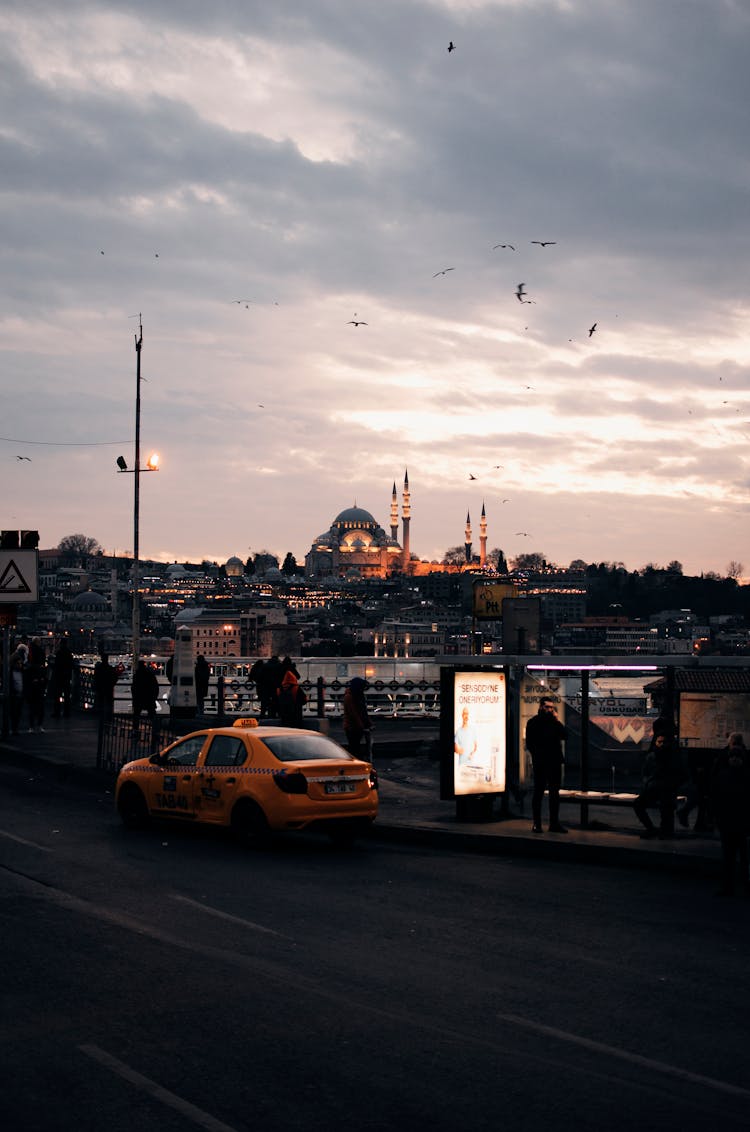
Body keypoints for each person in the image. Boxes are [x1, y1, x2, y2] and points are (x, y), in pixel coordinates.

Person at [710, 733, 750, 897]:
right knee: (740, 857)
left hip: (732, 822)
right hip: (738, 822)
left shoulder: (723, 775)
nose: (734, 760)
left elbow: (716, 797)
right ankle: (740, 886)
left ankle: (729, 886)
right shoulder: (744, 776)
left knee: (731, 856)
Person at [632, 718, 682, 839]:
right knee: (640, 805)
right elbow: (645, 772)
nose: (662, 745)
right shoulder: (659, 756)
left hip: (663, 789)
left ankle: (653, 830)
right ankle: (658, 830)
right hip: (657, 788)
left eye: (663, 742)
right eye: (660, 742)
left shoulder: (655, 756)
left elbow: (646, 772)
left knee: (664, 807)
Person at [525, 697, 567, 834]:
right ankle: (537, 824)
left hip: (554, 762)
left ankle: (554, 823)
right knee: (538, 792)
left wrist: (556, 719)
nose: (550, 709)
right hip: (542, 763)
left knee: (554, 793)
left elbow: (565, 735)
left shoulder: (554, 723)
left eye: (552, 707)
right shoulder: (533, 722)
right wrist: (537, 757)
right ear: (541, 707)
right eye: (548, 707)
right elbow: (530, 744)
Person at [342, 677, 372, 758]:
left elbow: (358, 712)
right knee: (354, 746)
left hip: (354, 726)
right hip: (352, 726)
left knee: (354, 746)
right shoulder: (353, 696)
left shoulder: (351, 695)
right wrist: (364, 724)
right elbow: (354, 713)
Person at [25, 637, 48, 733]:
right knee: (40, 707)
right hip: (39, 686)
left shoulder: (29, 652)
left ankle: (31, 726)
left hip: (33, 686)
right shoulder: (40, 653)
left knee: (32, 707)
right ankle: (39, 725)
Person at [51, 638, 75, 718]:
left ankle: (57, 712)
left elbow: (57, 665)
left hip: (59, 677)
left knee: (57, 695)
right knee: (67, 696)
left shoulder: (59, 653)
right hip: (67, 677)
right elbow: (72, 665)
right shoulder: (69, 653)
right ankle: (66, 712)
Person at [132, 660, 159, 726]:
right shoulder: (150, 674)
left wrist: (134, 697)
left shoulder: (136, 675)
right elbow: (155, 686)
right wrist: (154, 697)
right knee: (152, 714)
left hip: (139, 698)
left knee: (136, 715)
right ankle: (155, 731)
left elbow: (134, 687)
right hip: (149, 697)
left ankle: (135, 731)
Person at [94, 651, 119, 719]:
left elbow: (96, 678)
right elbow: (115, 677)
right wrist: (112, 684)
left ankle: (100, 716)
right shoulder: (110, 668)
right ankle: (109, 716)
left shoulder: (99, 669)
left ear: (101, 659)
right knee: (109, 703)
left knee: (101, 702)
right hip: (108, 688)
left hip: (101, 688)